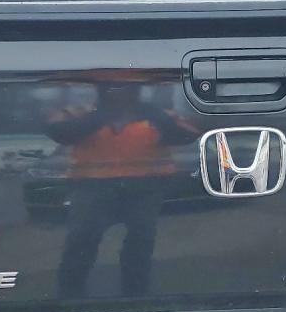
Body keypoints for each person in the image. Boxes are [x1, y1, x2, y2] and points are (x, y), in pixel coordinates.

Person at [48, 82, 197, 298]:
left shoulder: (156, 114)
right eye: (113, 87)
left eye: (126, 87)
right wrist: (99, 118)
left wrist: (158, 119)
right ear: (101, 90)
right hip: (92, 187)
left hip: (144, 189)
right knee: (81, 242)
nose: (119, 92)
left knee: (140, 244)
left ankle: (135, 294)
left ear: (136, 90)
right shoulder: (80, 112)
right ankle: (69, 294)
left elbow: (188, 133)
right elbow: (57, 131)